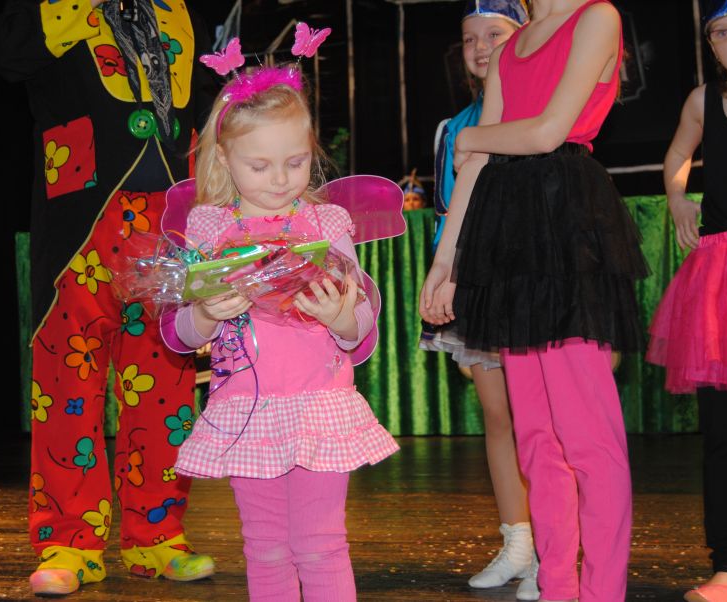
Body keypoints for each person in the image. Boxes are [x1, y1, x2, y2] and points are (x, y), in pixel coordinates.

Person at [0, 0, 217, 595]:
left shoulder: (183, 12)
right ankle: (69, 542)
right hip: (81, 227)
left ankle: (157, 536)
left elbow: (207, 114)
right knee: (67, 389)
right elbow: (6, 51)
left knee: (165, 392)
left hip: (166, 224)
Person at [419, 0, 648, 600]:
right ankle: (558, 584)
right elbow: (476, 167)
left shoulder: (595, 17)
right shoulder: (510, 48)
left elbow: (548, 131)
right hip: (508, 238)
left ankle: (602, 591)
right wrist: (446, 263)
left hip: (566, 225)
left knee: (587, 435)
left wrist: (471, 135)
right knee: (537, 438)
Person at [163, 38, 401, 601]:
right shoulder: (209, 228)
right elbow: (178, 334)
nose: (280, 179)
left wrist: (341, 317)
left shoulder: (326, 222)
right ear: (225, 159)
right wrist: (206, 312)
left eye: (295, 162)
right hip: (246, 411)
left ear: (312, 151)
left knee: (321, 544)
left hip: (319, 405)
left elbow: (359, 326)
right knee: (264, 547)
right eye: (259, 165)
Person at [419, 2, 538, 599]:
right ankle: (518, 541)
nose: (482, 46)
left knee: (541, 418)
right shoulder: (452, 128)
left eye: (495, 33)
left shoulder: (545, 111)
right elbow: (449, 211)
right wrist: (446, 277)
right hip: (474, 282)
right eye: (470, 39)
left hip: (530, 278)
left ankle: (555, 544)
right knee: (499, 417)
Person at [646, 2, 727, 601]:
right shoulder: (702, 102)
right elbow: (678, 156)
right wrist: (679, 196)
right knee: (726, 432)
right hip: (722, 285)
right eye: (724, 33)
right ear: (711, 43)